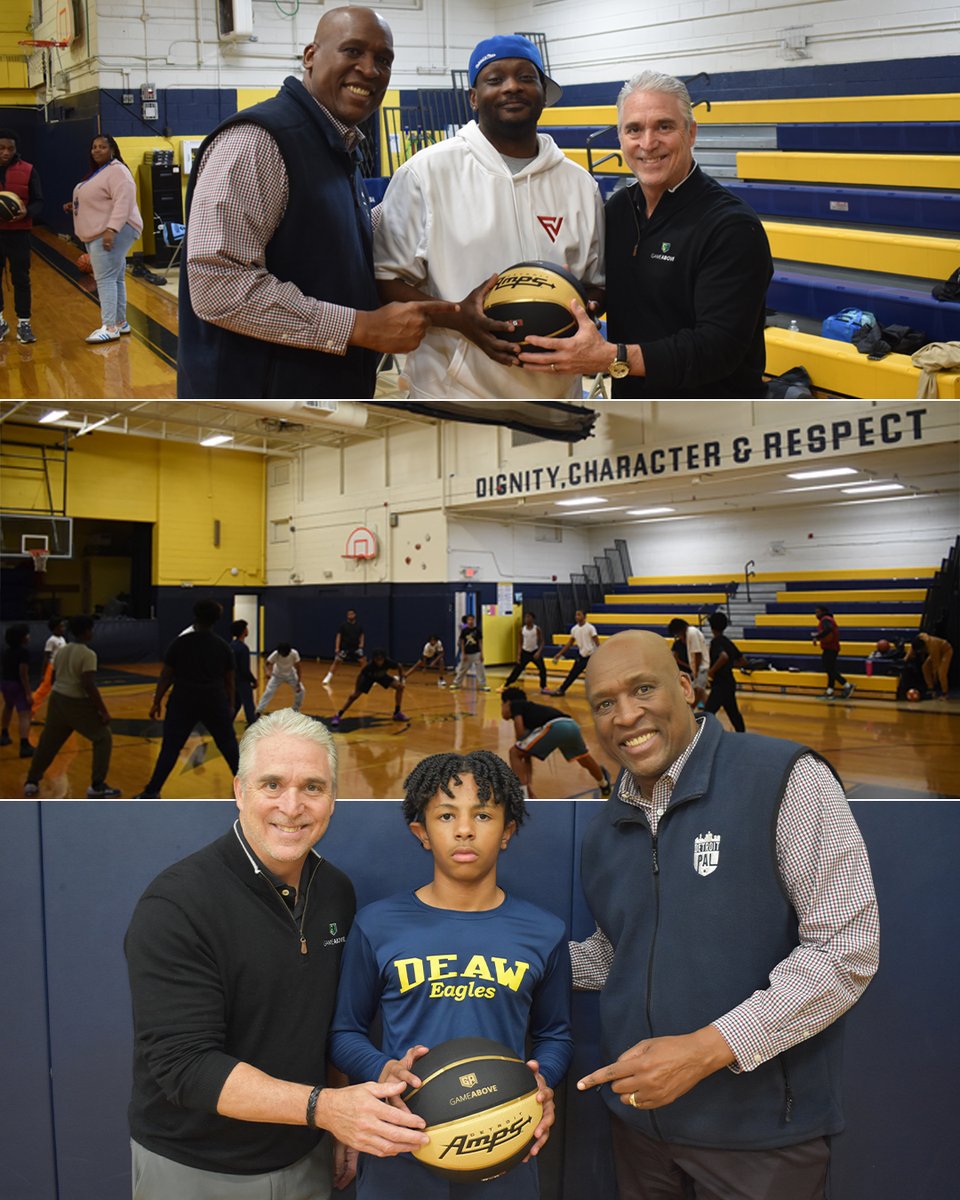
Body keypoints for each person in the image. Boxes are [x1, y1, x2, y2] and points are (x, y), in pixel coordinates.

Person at [571, 630, 879, 1200]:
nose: (626, 715)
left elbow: (844, 951)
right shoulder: (607, 824)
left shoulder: (784, 777)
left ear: (686, 687)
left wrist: (707, 1049)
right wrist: (503, 950)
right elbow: (619, 951)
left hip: (760, 1139)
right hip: (641, 1129)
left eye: (643, 689)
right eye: (605, 703)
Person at [124, 708, 430, 1199]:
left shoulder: (335, 891)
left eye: (313, 786)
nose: (293, 805)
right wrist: (328, 1109)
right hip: (196, 1167)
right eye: (272, 784)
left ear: (333, 799)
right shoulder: (177, 904)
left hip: (304, 1157)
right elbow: (185, 1065)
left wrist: (334, 1119)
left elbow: (326, 1022)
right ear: (239, 791)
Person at [178, 6, 456, 399]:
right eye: (353, 51)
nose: (370, 70)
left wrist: (427, 200)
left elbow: (329, 241)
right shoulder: (259, 140)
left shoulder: (339, 146)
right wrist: (360, 327)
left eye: (383, 59)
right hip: (256, 408)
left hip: (322, 396)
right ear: (311, 56)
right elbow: (217, 283)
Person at [329, 749, 571, 1199]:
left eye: (483, 814)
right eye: (445, 815)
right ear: (421, 832)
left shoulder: (544, 931)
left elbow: (556, 1034)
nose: (464, 829)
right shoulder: (377, 924)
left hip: (504, 1144)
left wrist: (541, 1081)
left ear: (507, 831)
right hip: (399, 1142)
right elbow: (344, 1031)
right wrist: (384, 1069)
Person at [374, 33, 604, 399]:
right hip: (451, 394)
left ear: (543, 92)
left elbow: (595, 283)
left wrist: (582, 307)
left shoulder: (580, 185)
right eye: (495, 79)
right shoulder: (424, 173)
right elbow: (386, 280)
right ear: (474, 97)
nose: (512, 87)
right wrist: (456, 316)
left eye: (526, 77)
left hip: (558, 394)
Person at [517, 71, 773, 399]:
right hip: (633, 414)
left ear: (691, 132)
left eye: (664, 126)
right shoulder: (620, 208)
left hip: (713, 423)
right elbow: (620, 289)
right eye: (634, 129)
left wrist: (614, 357)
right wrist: (574, 297)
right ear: (620, 138)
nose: (648, 143)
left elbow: (718, 347)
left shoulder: (731, 226)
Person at [134, 599, 239, 798]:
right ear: (216, 620)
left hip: (183, 701)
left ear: (195, 616)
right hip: (214, 700)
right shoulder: (222, 646)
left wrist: (157, 701)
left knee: (171, 748)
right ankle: (248, 790)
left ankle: (152, 790)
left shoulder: (180, 643)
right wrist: (230, 704)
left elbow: (166, 676)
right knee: (227, 744)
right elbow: (229, 681)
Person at [23, 615, 121, 797]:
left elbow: (53, 677)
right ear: (86, 632)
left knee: (47, 744)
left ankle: (31, 781)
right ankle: (97, 785)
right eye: (90, 629)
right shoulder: (88, 654)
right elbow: (88, 684)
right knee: (103, 738)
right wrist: (103, 710)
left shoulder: (62, 650)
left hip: (57, 699)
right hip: (77, 703)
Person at [66, 134, 143, 343]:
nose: (97, 150)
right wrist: (75, 206)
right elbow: (100, 200)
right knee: (115, 277)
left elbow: (123, 201)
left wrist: (112, 229)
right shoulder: (100, 172)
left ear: (113, 150)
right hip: (102, 230)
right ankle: (120, 323)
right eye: (94, 147)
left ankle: (109, 327)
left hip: (112, 231)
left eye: (102, 147)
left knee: (105, 278)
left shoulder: (117, 170)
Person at [501, 686, 610, 799]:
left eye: (502, 705)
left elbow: (519, 735)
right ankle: (603, 782)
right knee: (584, 759)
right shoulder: (531, 712)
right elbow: (526, 757)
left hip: (555, 726)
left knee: (513, 752)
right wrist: (527, 786)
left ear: (507, 703)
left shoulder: (516, 705)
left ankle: (521, 796)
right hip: (571, 724)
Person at [0, 127, 41, 343]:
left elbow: (39, 201)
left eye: (10, 148)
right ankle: (0, 323)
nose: (6, 152)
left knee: (21, 280)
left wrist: (27, 212)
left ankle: (24, 323)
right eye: (1, 148)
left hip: (19, 234)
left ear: (16, 150)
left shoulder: (28, 169)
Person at [331, 648, 407, 725]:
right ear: (374, 659)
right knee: (353, 696)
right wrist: (356, 689)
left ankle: (397, 713)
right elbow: (360, 676)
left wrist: (401, 681)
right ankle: (338, 715)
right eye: (377, 660)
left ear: (384, 659)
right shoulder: (369, 667)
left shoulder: (389, 662)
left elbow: (399, 666)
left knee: (400, 687)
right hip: (369, 678)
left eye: (381, 660)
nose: (379, 662)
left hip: (382, 676)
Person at [703, 610, 745, 732]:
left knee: (708, 712)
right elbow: (742, 660)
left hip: (720, 684)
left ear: (711, 626)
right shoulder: (728, 641)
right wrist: (729, 666)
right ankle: (742, 735)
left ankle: (704, 737)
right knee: (733, 713)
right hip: (730, 682)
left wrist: (712, 671)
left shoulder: (716, 642)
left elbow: (724, 656)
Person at [1, 622, 34, 757]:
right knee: (25, 714)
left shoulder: (6, 651)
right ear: (22, 638)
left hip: (5, 683)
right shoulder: (23, 652)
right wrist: (28, 692)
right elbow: (23, 673)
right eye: (27, 634)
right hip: (17, 684)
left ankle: (4, 734)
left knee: (8, 707)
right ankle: (24, 744)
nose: (29, 636)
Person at [547, 610, 599, 696]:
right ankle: (561, 690)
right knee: (572, 674)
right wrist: (559, 654)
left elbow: (597, 642)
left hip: (592, 656)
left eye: (579, 615)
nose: (577, 617)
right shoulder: (574, 629)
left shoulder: (590, 628)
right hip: (582, 656)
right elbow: (569, 644)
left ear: (584, 616)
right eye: (576, 615)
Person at [811, 606, 854, 700]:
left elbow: (828, 629)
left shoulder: (825, 620)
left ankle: (847, 685)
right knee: (830, 669)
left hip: (830, 648)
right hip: (831, 648)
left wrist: (818, 636)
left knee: (830, 669)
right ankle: (830, 690)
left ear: (823, 612)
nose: (816, 615)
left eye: (817, 612)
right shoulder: (828, 619)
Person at [667, 617, 707, 708]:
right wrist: (689, 667)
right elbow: (675, 658)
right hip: (686, 670)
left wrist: (695, 671)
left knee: (699, 690)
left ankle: (693, 711)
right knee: (699, 691)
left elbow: (698, 654)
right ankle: (707, 709)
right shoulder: (677, 644)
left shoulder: (692, 637)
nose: (678, 636)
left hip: (695, 669)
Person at [503, 611, 548, 691]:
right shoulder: (522, 630)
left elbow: (542, 642)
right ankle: (507, 684)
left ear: (533, 619)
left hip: (534, 652)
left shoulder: (536, 629)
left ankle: (543, 686)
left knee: (542, 669)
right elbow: (520, 642)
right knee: (517, 669)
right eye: (526, 617)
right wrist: (519, 655)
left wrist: (539, 652)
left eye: (529, 617)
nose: (526, 619)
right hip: (525, 652)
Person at [31, 617, 67, 716]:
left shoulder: (62, 639)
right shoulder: (51, 640)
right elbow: (46, 657)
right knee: (43, 690)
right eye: (61, 626)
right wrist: (43, 673)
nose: (63, 628)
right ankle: (30, 711)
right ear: (55, 628)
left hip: (61, 667)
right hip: (51, 667)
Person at [257, 641, 306, 715]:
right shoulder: (275, 654)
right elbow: (266, 664)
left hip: (291, 675)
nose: (284, 655)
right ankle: (259, 710)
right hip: (277, 675)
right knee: (269, 691)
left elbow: (298, 668)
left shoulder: (294, 653)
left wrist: (298, 682)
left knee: (301, 690)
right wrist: (267, 672)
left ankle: (296, 709)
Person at [905, 631, 953, 698]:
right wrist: (905, 659)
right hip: (936, 651)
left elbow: (936, 663)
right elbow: (912, 648)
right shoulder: (918, 639)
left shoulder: (932, 645)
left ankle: (945, 692)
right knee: (925, 667)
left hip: (946, 651)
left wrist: (934, 677)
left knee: (941, 672)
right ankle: (930, 688)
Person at [323, 608, 366, 684]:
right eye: (349, 614)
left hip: (356, 648)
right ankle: (328, 677)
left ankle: (367, 678)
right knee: (337, 661)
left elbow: (362, 634)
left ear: (355, 615)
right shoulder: (343, 625)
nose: (350, 615)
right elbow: (339, 636)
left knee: (363, 661)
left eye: (352, 614)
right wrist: (337, 647)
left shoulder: (359, 626)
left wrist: (361, 644)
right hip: (345, 648)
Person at [230, 618, 258, 724]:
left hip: (233, 681)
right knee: (249, 706)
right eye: (246, 628)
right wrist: (253, 680)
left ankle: (226, 724)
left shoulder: (231, 645)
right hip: (242, 682)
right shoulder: (243, 648)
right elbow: (244, 669)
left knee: (236, 704)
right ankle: (253, 728)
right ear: (243, 631)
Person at [451, 613, 489, 690]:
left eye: (472, 619)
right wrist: (463, 653)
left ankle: (483, 685)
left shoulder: (477, 630)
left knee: (480, 669)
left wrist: (482, 653)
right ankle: (456, 683)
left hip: (476, 653)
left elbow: (480, 642)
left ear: (474, 620)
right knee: (462, 669)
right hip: (467, 653)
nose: (471, 621)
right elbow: (462, 642)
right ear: (467, 621)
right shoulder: (464, 631)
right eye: (469, 619)